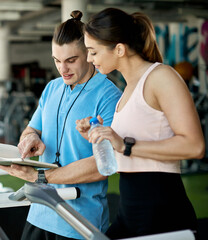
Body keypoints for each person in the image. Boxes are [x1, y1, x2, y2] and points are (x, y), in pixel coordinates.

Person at [76, 7, 205, 239]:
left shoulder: (161, 77)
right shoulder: (128, 90)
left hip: (161, 210)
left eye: (93, 52)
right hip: (130, 210)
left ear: (119, 49)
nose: (88, 59)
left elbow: (194, 146)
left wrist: (125, 144)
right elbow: (127, 151)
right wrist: (100, 138)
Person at [0, 10, 122, 240]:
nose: (62, 69)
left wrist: (41, 177)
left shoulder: (109, 96)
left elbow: (101, 167)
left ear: (89, 53)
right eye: (57, 61)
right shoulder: (52, 88)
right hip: (39, 212)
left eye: (70, 60)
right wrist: (31, 137)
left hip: (81, 221)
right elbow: (32, 128)